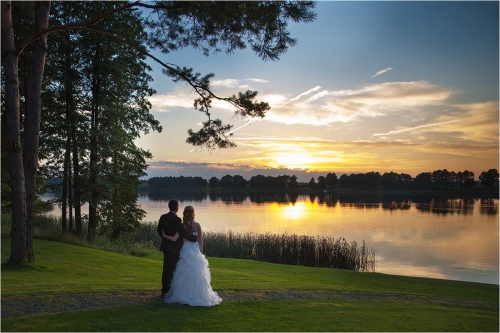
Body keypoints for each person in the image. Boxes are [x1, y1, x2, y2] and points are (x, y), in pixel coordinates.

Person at [162, 205, 222, 307]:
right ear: (193, 213)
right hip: (195, 251)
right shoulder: (197, 225)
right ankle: (199, 295)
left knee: (184, 272)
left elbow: (174, 239)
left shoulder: (182, 226)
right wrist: (201, 252)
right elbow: (200, 240)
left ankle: (183, 295)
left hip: (185, 251)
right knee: (197, 273)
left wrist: (164, 235)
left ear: (184, 213)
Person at [157, 199, 198, 297]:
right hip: (174, 248)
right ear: (176, 208)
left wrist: (164, 236)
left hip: (165, 246)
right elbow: (183, 233)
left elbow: (159, 230)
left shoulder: (163, 217)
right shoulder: (177, 220)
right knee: (172, 269)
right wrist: (194, 238)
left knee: (165, 268)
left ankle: (164, 290)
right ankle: (168, 291)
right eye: (178, 206)